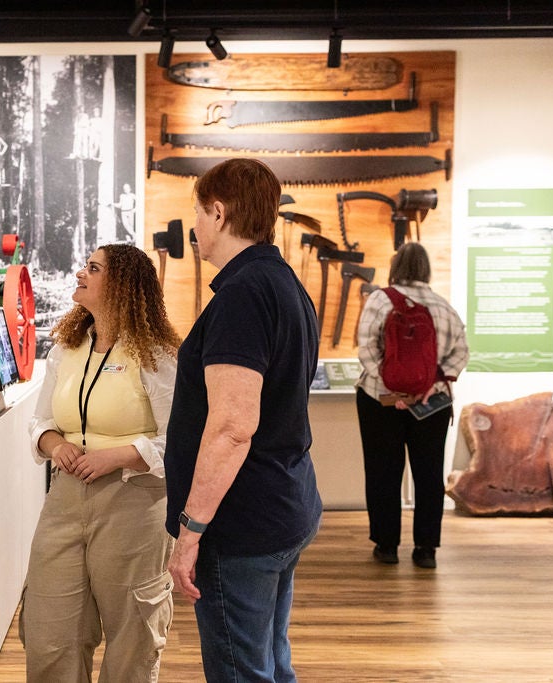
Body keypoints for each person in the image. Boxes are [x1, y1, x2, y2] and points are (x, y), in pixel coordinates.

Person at [164, 157, 322, 683]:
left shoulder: (243, 296)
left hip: (241, 523)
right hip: (280, 503)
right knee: (270, 662)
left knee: (242, 671)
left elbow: (233, 426)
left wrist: (191, 530)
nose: (194, 228)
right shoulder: (282, 283)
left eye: (197, 213)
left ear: (218, 210)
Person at [22, 243, 181, 682]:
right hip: (66, 500)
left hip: (136, 501)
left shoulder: (157, 354)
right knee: (49, 628)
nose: (80, 273)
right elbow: (41, 422)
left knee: (134, 631)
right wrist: (55, 445)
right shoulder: (66, 348)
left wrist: (123, 455)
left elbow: (182, 440)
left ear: (122, 286)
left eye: (92, 268)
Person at [355, 241, 469, 569]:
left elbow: (366, 349)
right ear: (426, 270)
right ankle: (426, 550)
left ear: (396, 267)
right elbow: (461, 353)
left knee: (382, 471)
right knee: (429, 473)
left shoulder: (379, 299)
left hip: (380, 400)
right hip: (431, 404)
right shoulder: (443, 307)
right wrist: (425, 387)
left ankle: (387, 546)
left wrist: (394, 385)